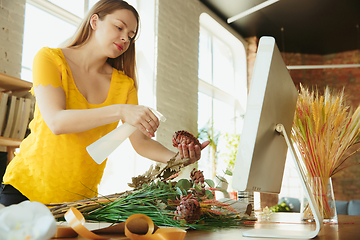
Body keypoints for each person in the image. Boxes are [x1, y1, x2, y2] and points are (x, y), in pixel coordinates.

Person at [0, 0, 209, 206]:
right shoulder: (50, 59)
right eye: (119, 27)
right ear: (94, 21)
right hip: (25, 189)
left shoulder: (124, 85)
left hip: (78, 201)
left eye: (130, 36)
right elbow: (56, 121)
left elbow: (141, 143)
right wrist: (120, 111)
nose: (125, 39)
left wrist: (179, 158)